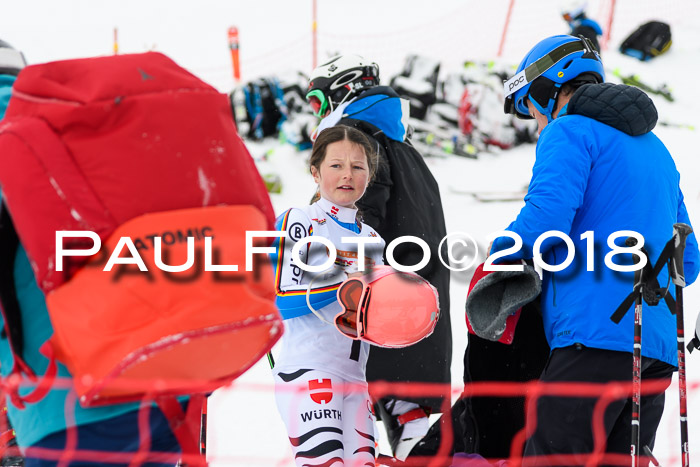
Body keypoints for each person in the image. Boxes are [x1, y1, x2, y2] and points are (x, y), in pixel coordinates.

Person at [494, 34, 699, 465]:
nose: (536, 122)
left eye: (532, 106)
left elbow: (547, 218)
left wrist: (500, 260)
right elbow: (690, 259)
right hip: (655, 347)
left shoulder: (570, 130)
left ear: (550, 88)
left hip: (592, 339)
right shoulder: (657, 150)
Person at [305, 54, 452, 459]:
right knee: (406, 427)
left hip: (381, 323)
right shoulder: (405, 150)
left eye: (319, 102)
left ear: (344, 89)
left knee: (360, 437)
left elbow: (355, 219)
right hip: (417, 325)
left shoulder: (356, 141)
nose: (318, 114)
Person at [271, 125, 385, 467]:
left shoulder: (373, 239)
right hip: (306, 368)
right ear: (315, 172)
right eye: (336, 165)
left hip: (355, 377)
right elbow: (277, 301)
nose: (347, 175)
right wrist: (344, 286)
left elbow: (376, 319)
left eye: (358, 166)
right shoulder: (301, 220)